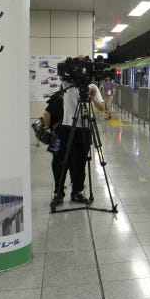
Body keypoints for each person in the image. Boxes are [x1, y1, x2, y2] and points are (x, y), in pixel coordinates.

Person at [55, 60, 105, 205]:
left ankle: (77, 192)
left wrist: (92, 97)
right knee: (62, 161)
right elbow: (60, 65)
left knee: (81, 163)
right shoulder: (67, 83)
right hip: (68, 127)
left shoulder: (92, 86)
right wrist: (75, 60)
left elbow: (102, 108)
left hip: (84, 128)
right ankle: (58, 193)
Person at [44, 91, 65, 205]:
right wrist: (48, 127)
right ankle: (58, 190)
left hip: (63, 134)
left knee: (59, 160)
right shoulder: (58, 99)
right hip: (58, 135)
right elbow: (46, 113)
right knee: (57, 160)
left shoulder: (61, 98)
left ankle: (61, 187)